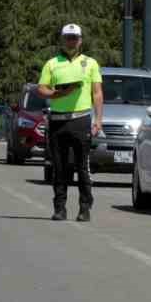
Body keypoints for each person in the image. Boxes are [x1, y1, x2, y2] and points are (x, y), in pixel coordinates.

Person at [36, 22, 104, 222]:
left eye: (74, 38)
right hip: (57, 121)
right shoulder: (52, 63)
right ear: (62, 40)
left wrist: (98, 120)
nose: (71, 41)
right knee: (59, 167)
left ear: (80, 40)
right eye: (67, 37)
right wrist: (56, 93)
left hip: (81, 119)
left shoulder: (90, 63)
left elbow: (97, 93)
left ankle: (84, 207)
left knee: (82, 167)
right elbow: (41, 89)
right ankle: (60, 208)